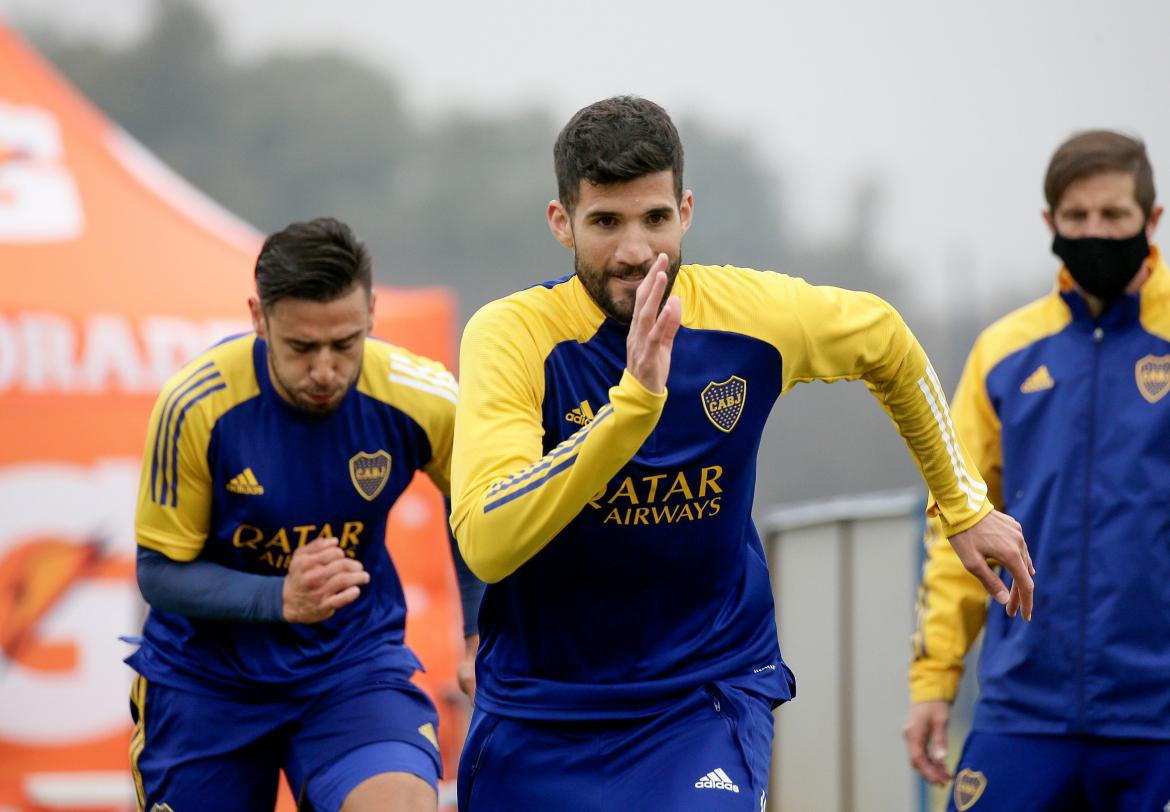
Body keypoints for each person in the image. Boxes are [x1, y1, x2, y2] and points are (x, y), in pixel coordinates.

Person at [449, 95, 1034, 811]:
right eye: (606, 222)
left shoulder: (750, 318)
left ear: (686, 211)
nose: (636, 251)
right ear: (561, 221)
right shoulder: (511, 336)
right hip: (542, 708)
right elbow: (486, 542)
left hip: (702, 694)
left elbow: (886, 342)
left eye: (655, 219)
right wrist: (630, 410)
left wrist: (964, 505)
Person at [125, 217, 482, 812]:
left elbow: (477, 506)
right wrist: (279, 599)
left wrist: (478, 633)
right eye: (301, 348)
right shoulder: (195, 405)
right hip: (207, 680)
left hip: (351, 667)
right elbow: (157, 574)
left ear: (371, 311)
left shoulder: (423, 396)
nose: (324, 369)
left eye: (345, 344)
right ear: (258, 317)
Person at [904, 130, 1170, 810]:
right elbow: (954, 525)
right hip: (1023, 709)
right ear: (1050, 224)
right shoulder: (1004, 352)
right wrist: (935, 681)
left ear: (1153, 221)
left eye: (1114, 216)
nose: (1095, 233)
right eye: (1077, 218)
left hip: (1157, 718)